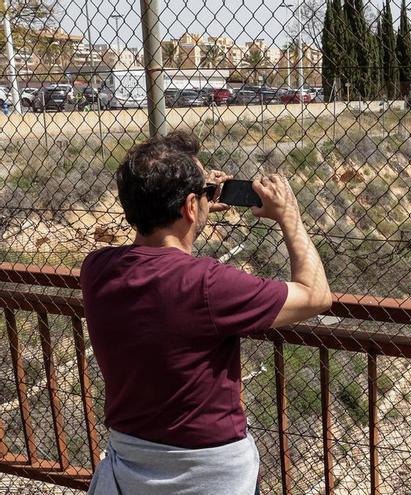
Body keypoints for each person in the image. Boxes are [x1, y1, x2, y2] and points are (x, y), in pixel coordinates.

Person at [80, 131, 331, 494]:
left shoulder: (98, 269)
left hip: (130, 466)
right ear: (189, 207)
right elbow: (316, 295)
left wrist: (191, 204)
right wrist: (289, 215)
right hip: (209, 473)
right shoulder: (207, 284)